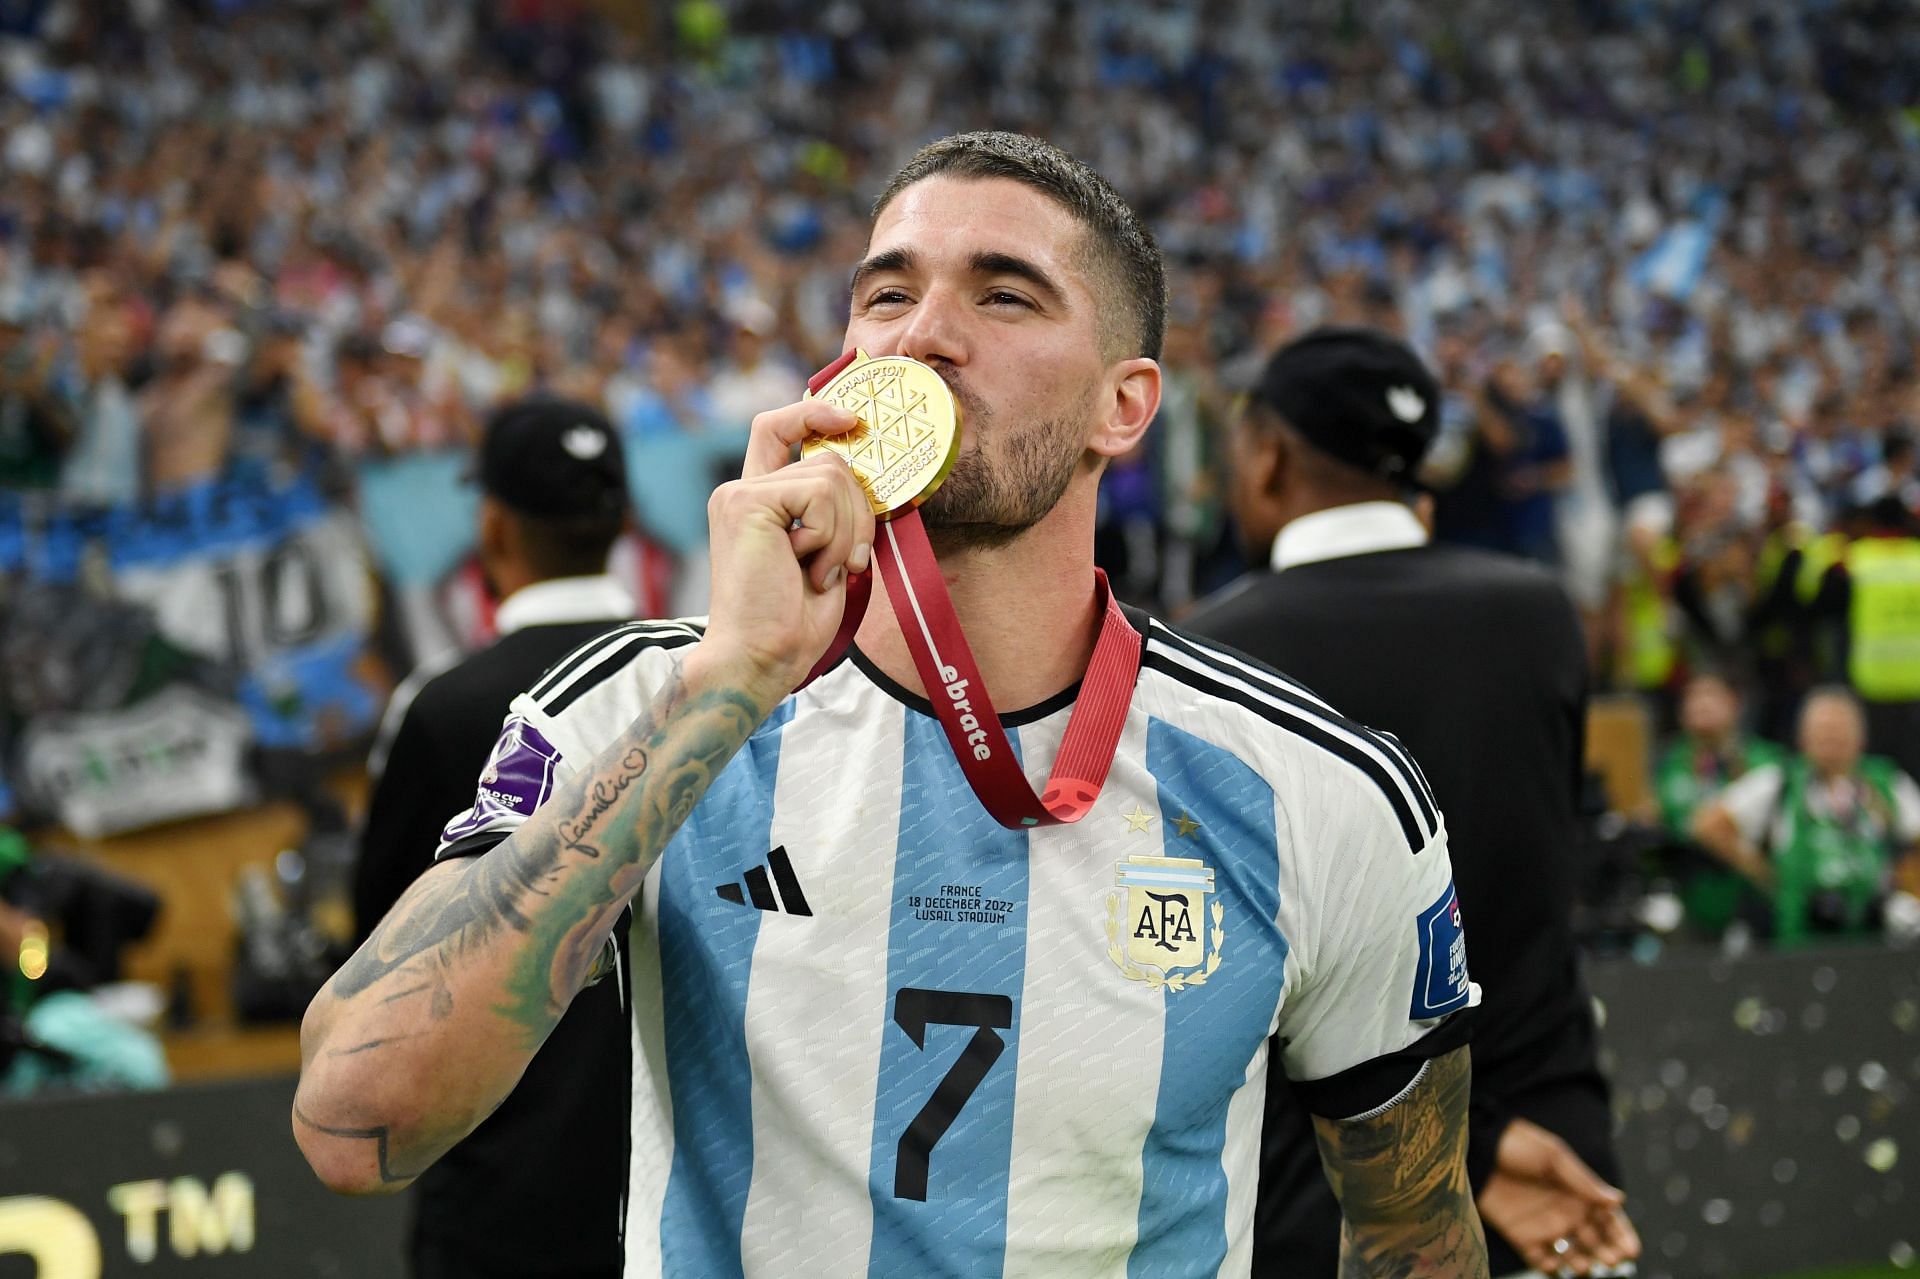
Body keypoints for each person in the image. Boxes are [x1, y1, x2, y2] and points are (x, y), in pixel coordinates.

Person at [294, 133, 1490, 1278]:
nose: (922, 336)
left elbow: (1413, 1236)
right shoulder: (644, 706)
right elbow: (356, 1125)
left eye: (1005, 296)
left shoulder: (1313, 792)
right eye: (886, 296)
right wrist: (731, 681)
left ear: (1124, 407)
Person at [1185, 327, 1638, 1279]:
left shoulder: (1211, 656)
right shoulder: (1540, 616)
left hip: (1329, 1183)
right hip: (1558, 1151)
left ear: (1268, 457)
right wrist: (1499, 1133)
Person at [351, 397, 638, 1279]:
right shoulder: (702, 679)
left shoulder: (441, 711)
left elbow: (378, 955)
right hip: (687, 1201)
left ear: (493, 525)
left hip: (502, 1207)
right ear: (621, 523)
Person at [1692, 686, 1920, 947]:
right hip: (1800, 941)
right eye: (1822, 731)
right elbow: (1707, 825)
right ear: (1803, 737)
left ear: (1860, 737)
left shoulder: (1884, 783)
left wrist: (1907, 890)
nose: (1830, 739)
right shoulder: (1781, 783)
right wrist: (1764, 874)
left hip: (1874, 937)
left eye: (1839, 730)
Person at [1652, 673, 1787, 937]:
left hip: (1746, 897)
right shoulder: (1670, 762)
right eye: (1694, 696)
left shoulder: (1765, 760)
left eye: (1711, 695)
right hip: (1687, 894)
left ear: (1735, 704)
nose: (1702, 704)